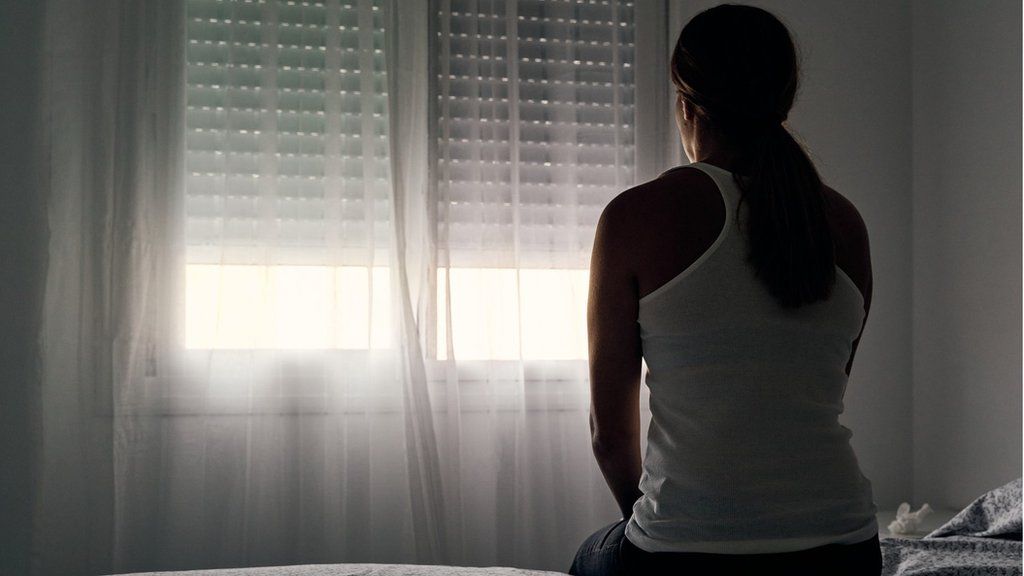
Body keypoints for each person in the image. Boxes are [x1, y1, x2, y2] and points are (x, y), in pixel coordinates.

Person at [569, 4, 881, 575]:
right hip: (846, 549)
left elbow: (608, 436)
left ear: (686, 104)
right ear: (783, 103)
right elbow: (808, 392)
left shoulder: (635, 217)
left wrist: (659, 525)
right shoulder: (844, 222)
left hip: (686, 555)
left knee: (588, 558)